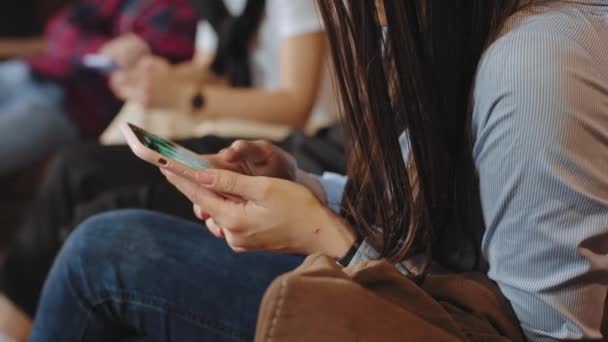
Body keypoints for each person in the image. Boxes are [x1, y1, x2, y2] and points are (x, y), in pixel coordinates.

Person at [29, 0, 608, 340]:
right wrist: (306, 188)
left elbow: (537, 333)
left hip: (415, 306)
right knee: (99, 217)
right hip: (413, 275)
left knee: (103, 247)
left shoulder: (534, 68)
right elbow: (443, 203)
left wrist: (325, 236)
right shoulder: (454, 36)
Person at [0, 0, 338, 339]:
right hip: (242, 129)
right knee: (74, 167)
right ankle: (12, 328)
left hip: (283, 137)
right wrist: (155, 80)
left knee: (101, 220)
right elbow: (210, 68)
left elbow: (296, 104)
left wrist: (189, 96)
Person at [0, 0, 198, 178]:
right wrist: (103, 48)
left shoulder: (184, 12)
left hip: (69, 105)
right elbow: (58, 29)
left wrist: (128, 53)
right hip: (29, 70)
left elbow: (146, 61)